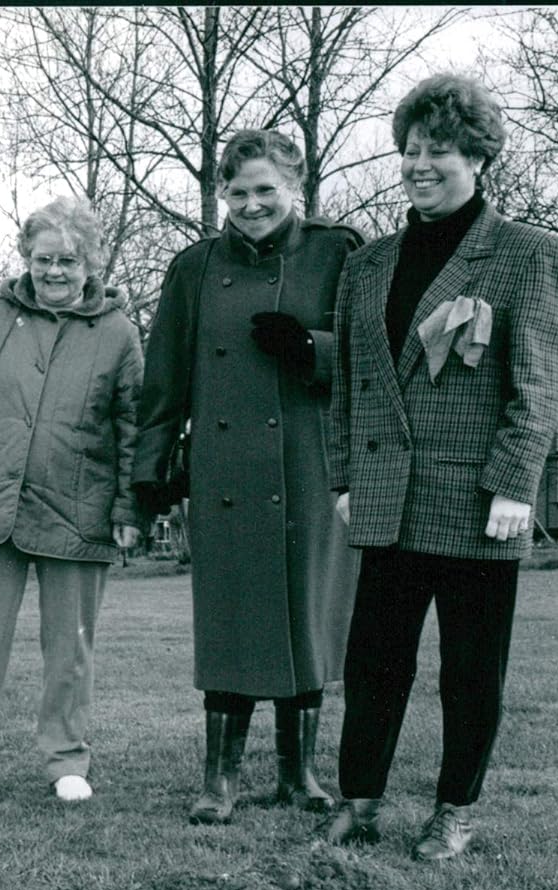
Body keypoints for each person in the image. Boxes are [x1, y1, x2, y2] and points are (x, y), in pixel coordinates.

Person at [324, 74, 558, 859]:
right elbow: (348, 388)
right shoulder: (367, 265)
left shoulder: (528, 255)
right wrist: (341, 477)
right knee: (374, 667)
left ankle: (454, 810)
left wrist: (514, 482)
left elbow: (538, 382)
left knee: (469, 673)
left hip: (476, 501)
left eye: (438, 151)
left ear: (479, 158)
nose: (418, 164)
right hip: (387, 498)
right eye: (409, 151)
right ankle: (358, 801)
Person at [133, 129, 363, 826]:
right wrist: (148, 475)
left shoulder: (339, 251)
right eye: (238, 192)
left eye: (267, 190)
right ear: (220, 195)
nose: (253, 204)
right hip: (224, 467)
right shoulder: (194, 267)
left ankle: (301, 773)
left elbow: (371, 352)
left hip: (311, 463)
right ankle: (220, 779)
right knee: (230, 619)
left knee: (308, 614)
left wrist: (312, 349)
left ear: (296, 187)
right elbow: (163, 379)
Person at [0, 197, 142, 804]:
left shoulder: (118, 334)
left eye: (67, 260)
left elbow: (133, 429)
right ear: (26, 259)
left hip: (80, 513)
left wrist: (128, 508)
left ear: (90, 261)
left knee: (70, 648)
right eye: (43, 259)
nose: (54, 271)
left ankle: (67, 762)